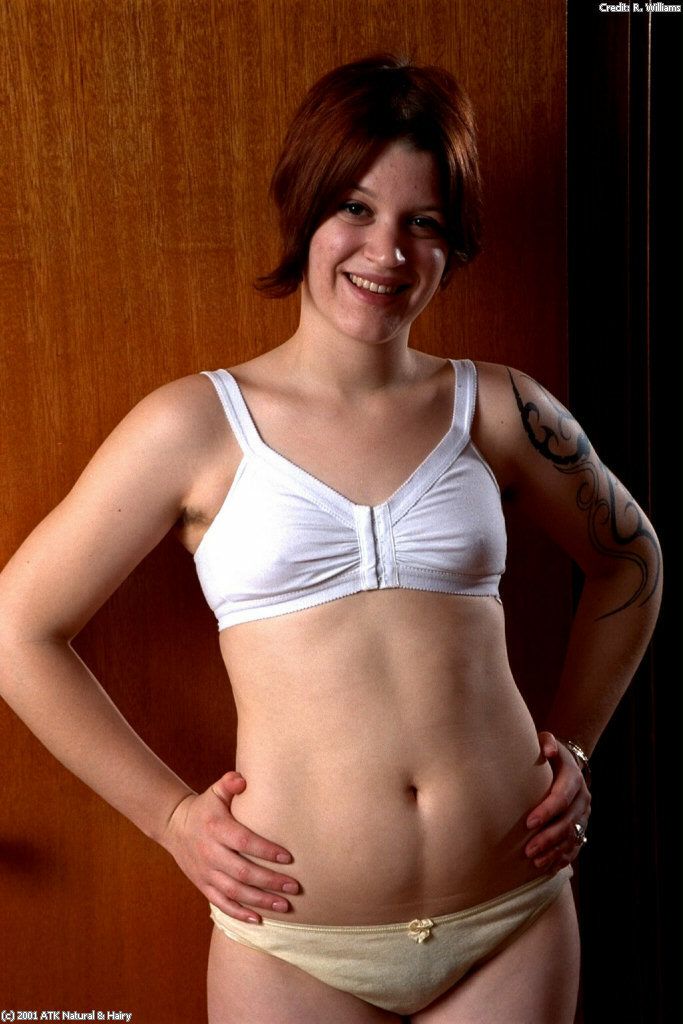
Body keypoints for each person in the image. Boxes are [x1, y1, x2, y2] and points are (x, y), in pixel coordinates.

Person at [0, 54, 661, 1024]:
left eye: (422, 221)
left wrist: (575, 746)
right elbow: (17, 630)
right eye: (355, 207)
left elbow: (630, 560)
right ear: (304, 209)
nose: (386, 251)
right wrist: (171, 818)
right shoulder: (194, 425)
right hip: (291, 942)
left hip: (512, 915)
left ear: (450, 241)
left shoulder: (499, 409)